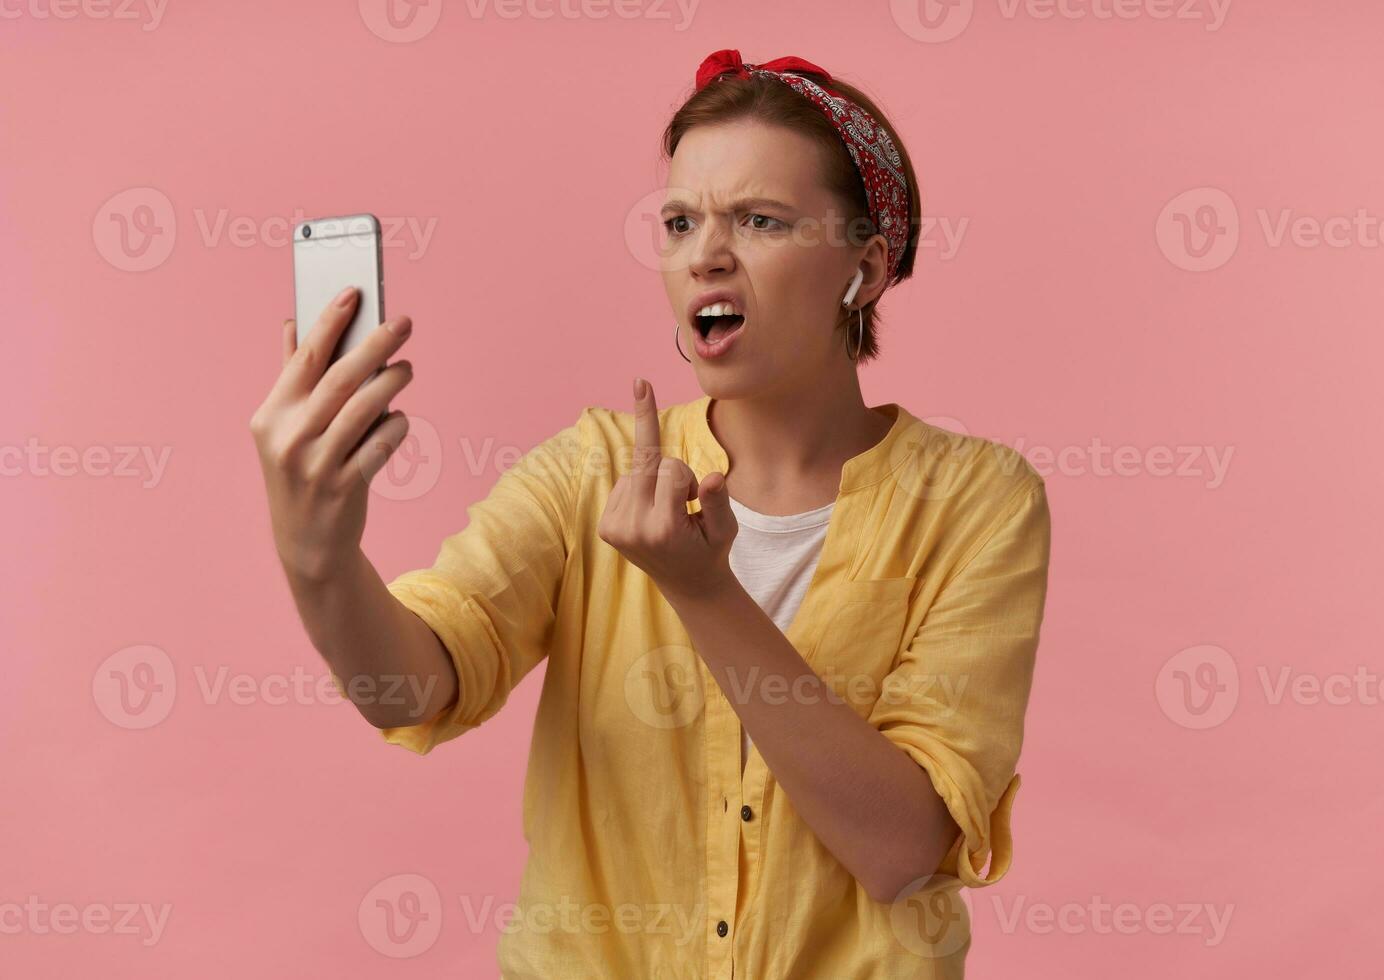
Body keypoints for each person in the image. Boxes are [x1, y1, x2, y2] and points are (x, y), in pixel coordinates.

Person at [250, 47, 1051, 979]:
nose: (705, 253)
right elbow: (411, 690)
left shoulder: (978, 501)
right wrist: (320, 558)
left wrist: (700, 591)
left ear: (864, 270)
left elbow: (901, 850)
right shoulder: (589, 472)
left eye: (759, 220)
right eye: (679, 222)